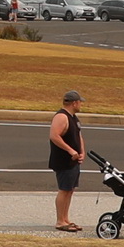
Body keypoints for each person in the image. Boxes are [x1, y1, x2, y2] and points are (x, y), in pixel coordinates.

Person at [47, 91, 86, 231]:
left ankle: (65, 218)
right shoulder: (62, 117)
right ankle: (60, 221)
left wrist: (82, 152)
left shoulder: (74, 117)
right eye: (80, 102)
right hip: (63, 160)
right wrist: (70, 150)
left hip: (74, 160)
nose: (81, 104)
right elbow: (54, 135)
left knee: (70, 189)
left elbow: (78, 135)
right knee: (64, 189)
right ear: (74, 103)